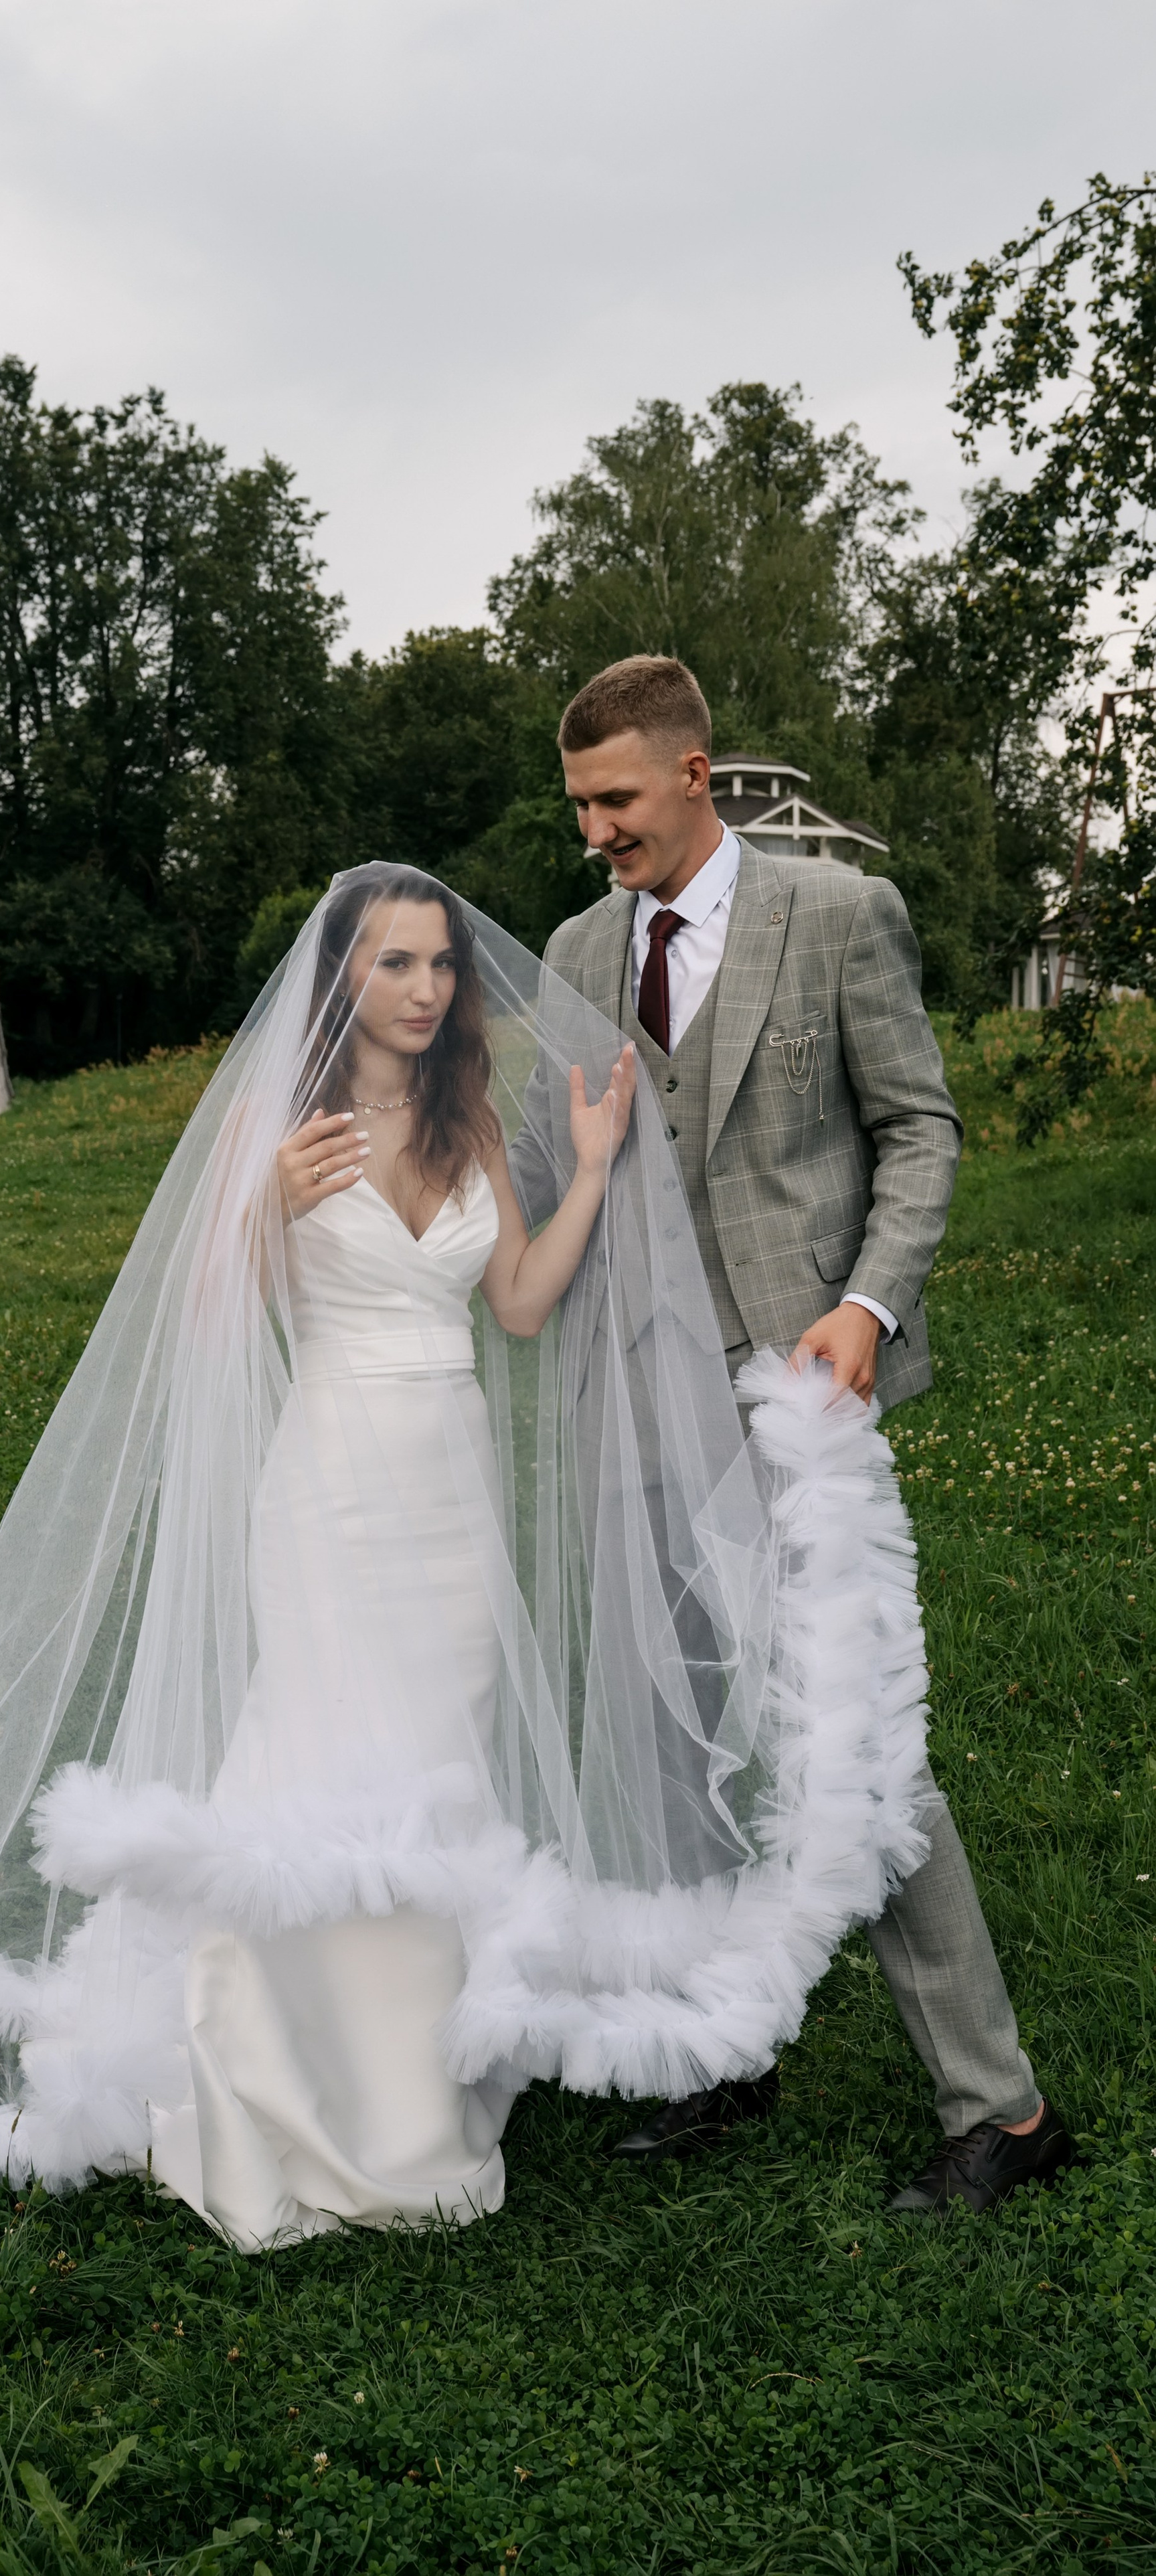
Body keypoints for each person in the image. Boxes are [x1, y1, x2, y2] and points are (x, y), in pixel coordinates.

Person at [0, 864, 936, 2251]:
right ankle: (269, 2081)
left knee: (439, 1750)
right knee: (317, 1749)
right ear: (343, 977)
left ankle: (401, 2088)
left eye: (440, 963)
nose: (427, 988)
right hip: (328, 1482)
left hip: (446, 1489)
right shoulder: (295, 1123)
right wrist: (260, 1198)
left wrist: (597, 1171)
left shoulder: (467, 1130)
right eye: (395, 961)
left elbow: (511, 1305)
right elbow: (200, 1314)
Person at [511, 653, 1073, 2214]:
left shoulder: (834, 913)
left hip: (795, 1389)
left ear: (694, 774)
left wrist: (867, 1308)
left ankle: (1001, 2109)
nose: (594, 833)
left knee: (855, 1745)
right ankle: (726, 2039)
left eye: (613, 800)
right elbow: (552, 1158)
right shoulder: (568, 945)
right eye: (577, 806)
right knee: (690, 1731)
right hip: (637, 1393)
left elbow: (917, 1128)